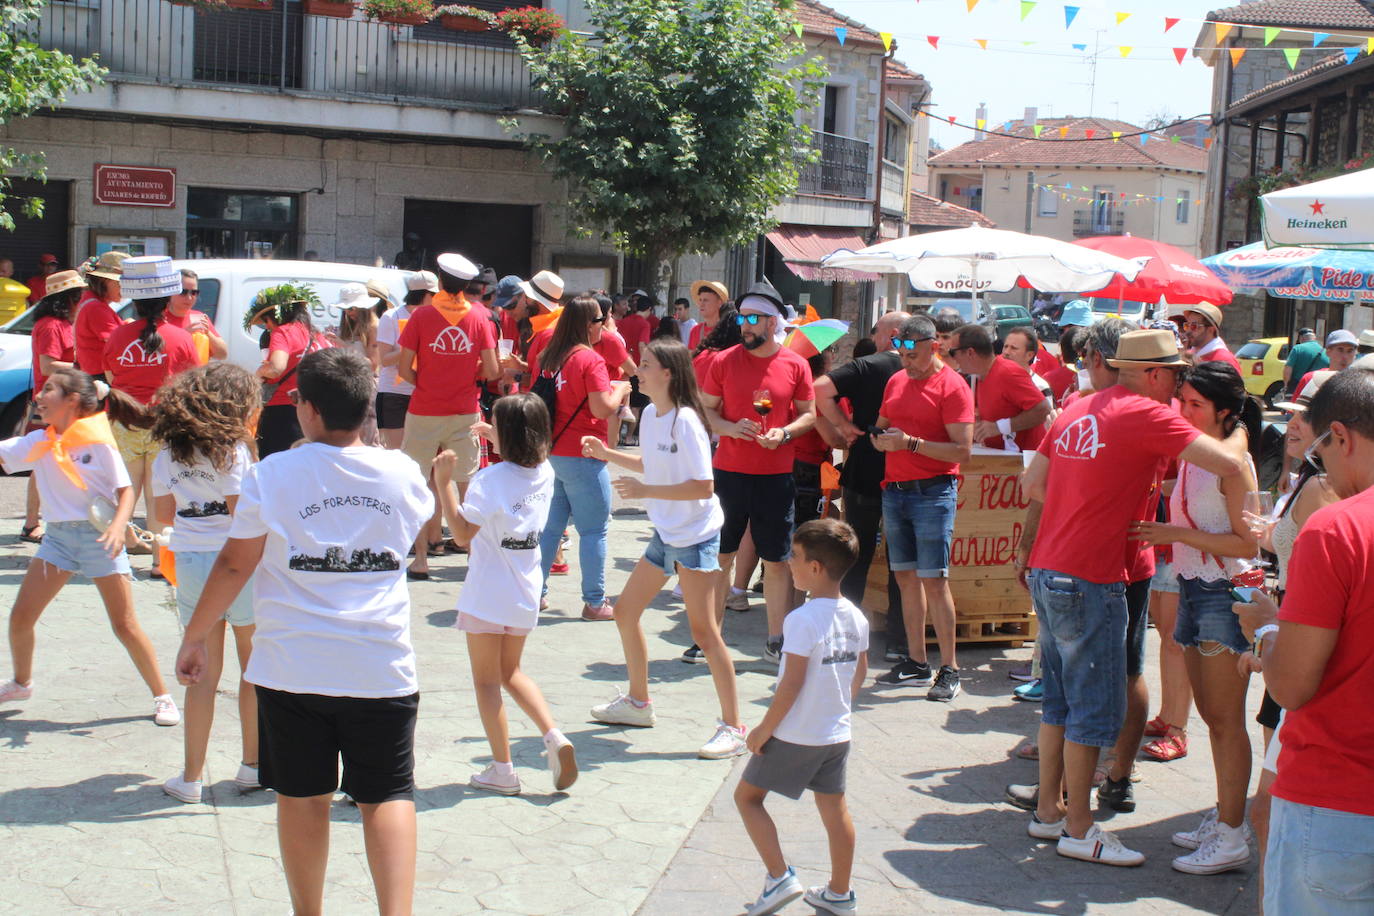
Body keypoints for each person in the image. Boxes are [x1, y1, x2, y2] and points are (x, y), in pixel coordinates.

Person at [174, 348, 433, 916]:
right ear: (368, 406)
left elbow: (236, 565)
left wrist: (195, 633)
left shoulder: (273, 474)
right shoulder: (405, 472)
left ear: (306, 408)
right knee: (387, 794)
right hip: (379, 661)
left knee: (301, 796)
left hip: (293, 664)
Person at [1021, 328, 1244, 867]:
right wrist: (1239, 432)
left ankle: (1050, 813)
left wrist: (1091, 497)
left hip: (1050, 566)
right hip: (1090, 574)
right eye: (1176, 375)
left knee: (1058, 700)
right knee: (1094, 707)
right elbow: (1230, 464)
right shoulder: (1146, 412)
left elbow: (1034, 485)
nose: (1180, 387)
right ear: (1156, 374)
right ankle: (1080, 828)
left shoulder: (1078, 406)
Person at [1233, 367, 1374, 915]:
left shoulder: (1337, 528)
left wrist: (1268, 631)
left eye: (1323, 447)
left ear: (1342, 436)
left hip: (1338, 795)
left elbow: (1291, 686)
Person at [583, 338, 746, 757]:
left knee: (704, 633)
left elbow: (702, 486)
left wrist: (644, 490)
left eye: (646, 364)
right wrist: (608, 453)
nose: (637, 369)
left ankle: (734, 726)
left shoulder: (687, 420)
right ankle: (639, 703)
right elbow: (652, 465)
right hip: (667, 533)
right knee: (625, 612)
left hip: (695, 535)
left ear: (668, 373)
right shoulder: (652, 416)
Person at [1131, 361, 1262, 875]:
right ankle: (1225, 818)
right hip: (1194, 585)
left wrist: (1175, 535)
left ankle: (1232, 833)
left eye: (1194, 405)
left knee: (1226, 721)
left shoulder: (1234, 459)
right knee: (1211, 716)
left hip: (1223, 593)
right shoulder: (1202, 447)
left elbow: (1247, 543)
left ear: (1224, 412)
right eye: (1181, 401)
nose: (1182, 411)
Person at [0, 368, 179, 725]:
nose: (38, 395)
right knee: (21, 618)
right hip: (58, 541)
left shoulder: (97, 442)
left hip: (100, 540)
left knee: (125, 625)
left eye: (49, 389)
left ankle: (164, 697)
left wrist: (117, 528)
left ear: (73, 401)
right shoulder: (40, 441)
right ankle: (22, 682)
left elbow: (125, 491)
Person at [431, 393, 577, 795]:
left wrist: (445, 485)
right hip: (525, 589)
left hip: (488, 591)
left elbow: (461, 535)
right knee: (511, 672)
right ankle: (553, 735)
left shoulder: (488, 481)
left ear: (507, 435)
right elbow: (520, 456)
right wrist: (497, 432)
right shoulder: (545, 471)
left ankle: (502, 769)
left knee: (486, 682)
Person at [734, 518, 867, 916]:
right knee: (835, 810)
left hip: (795, 734)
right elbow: (859, 672)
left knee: (747, 798)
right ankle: (839, 894)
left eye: (795, 556)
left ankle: (779, 878)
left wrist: (763, 729)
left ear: (815, 569)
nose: (788, 563)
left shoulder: (801, 620)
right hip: (835, 733)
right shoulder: (856, 617)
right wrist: (838, 705)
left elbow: (789, 685)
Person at [1241, 369, 1340, 895]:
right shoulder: (1312, 481)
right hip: (1293, 639)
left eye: (1305, 416)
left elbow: (1321, 596)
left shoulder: (1330, 497)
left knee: (1274, 809)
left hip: (1305, 658)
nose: (1294, 425)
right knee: (1271, 807)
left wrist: (1269, 635)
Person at [151, 363, 262, 804]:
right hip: (237, 563)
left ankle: (191, 776)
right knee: (253, 668)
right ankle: (252, 765)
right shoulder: (234, 452)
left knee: (201, 672)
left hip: (193, 562)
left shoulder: (166, 456)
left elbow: (161, 514)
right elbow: (243, 515)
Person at [700, 281, 816, 663]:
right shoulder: (723, 360)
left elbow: (808, 416)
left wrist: (783, 433)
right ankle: (709, 639)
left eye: (752, 320)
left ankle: (776, 639)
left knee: (777, 559)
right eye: (742, 319)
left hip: (776, 474)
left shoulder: (795, 364)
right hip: (729, 472)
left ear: (772, 323)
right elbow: (706, 411)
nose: (744, 327)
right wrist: (730, 428)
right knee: (720, 556)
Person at [870, 314, 973, 701]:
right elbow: (882, 424)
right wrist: (879, 439)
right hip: (895, 490)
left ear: (935, 347)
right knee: (905, 580)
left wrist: (909, 444)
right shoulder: (897, 380)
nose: (906, 359)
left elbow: (961, 450)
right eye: (901, 349)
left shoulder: (953, 386)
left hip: (933, 491)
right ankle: (916, 662)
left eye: (913, 352)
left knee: (934, 580)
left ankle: (950, 668)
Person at [396, 253, 499, 580]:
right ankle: (474, 554)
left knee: (419, 483)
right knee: (468, 484)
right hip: (465, 411)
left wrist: (427, 382)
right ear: (467, 285)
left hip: (424, 409)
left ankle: (422, 557)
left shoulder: (422, 316)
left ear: (440, 282)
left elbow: (403, 369)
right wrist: (467, 374)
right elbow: (494, 369)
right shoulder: (480, 318)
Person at [813, 310, 910, 653]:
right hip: (911, 471)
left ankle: (844, 636)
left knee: (854, 554)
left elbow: (820, 388)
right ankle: (900, 641)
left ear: (891, 333)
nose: (874, 337)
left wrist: (842, 426)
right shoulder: (928, 368)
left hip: (867, 466)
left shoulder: (870, 364)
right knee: (904, 563)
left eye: (875, 331)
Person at [532, 295, 632, 620]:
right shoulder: (590, 360)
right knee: (593, 531)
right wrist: (621, 390)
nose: (605, 324)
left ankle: (535, 594)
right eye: (601, 319)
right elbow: (601, 408)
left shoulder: (551, 356)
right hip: (584, 452)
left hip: (553, 451)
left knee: (551, 528)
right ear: (588, 324)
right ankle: (594, 602)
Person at [103, 256, 200, 577]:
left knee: (123, 493)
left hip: (124, 424)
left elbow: (111, 377)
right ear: (166, 299)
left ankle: (114, 560)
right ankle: (161, 564)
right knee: (161, 496)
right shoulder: (182, 338)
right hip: (165, 426)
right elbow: (191, 386)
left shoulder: (117, 335)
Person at [23, 270, 86, 544]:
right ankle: (30, 522)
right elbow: (48, 364)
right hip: (51, 404)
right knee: (44, 463)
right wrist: (83, 367)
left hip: (63, 403)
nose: (83, 300)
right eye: (79, 296)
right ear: (68, 298)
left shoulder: (63, 323)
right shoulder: (50, 325)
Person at [245, 284, 332, 459]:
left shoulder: (282, 332)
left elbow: (276, 368)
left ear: (276, 316)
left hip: (282, 411)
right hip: (316, 410)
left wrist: (260, 372)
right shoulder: (316, 334)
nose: (267, 327)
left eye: (267, 321)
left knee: (276, 466)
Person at [950, 323, 1051, 452]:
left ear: (970, 352)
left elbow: (1043, 410)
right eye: (1006, 346)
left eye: (953, 352)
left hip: (1021, 463)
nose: (951, 357)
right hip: (999, 463)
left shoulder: (1007, 372)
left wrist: (999, 427)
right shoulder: (979, 376)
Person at [375, 271, 436, 450]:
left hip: (424, 392)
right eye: (436, 295)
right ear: (425, 296)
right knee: (397, 452)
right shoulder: (391, 317)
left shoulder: (434, 318)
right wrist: (410, 347)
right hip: (395, 394)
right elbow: (384, 360)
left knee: (423, 452)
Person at [73, 251, 130, 379]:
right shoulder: (96, 308)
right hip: (101, 377)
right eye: (120, 283)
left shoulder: (90, 302)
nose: (124, 289)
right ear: (105, 281)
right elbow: (118, 343)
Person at [162, 269, 227, 361]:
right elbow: (156, 355)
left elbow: (222, 355)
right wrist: (184, 335)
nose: (189, 297)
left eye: (194, 293)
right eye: (183, 292)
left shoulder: (199, 317)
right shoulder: (161, 319)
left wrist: (208, 333)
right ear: (171, 292)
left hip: (197, 374)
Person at [1179, 304, 1241, 373]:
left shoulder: (1225, 360)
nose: (1188, 331)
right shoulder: (1188, 355)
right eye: (1187, 325)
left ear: (1211, 330)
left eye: (1194, 326)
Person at [332, 283, 380, 372]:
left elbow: (372, 365)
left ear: (363, 308)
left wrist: (343, 345)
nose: (347, 312)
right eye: (343, 308)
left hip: (361, 381)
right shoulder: (350, 325)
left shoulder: (374, 327)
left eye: (351, 308)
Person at [1295, 329, 1357, 394]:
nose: (1345, 356)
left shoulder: (1359, 383)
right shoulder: (1310, 379)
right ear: (1328, 352)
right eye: (1340, 350)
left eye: (1350, 351)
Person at [1001, 327, 1054, 398]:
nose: (1006, 352)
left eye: (1013, 348)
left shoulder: (1040, 387)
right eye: (1005, 346)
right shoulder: (992, 381)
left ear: (1029, 355)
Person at [1282, 328, 1325, 399]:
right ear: (1314, 338)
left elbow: (1288, 368)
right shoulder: (1325, 351)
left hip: (1297, 388)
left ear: (1301, 338)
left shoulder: (1297, 349)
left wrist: (1286, 385)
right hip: (1317, 390)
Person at [688, 280, 728, 351]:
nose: (701, 304)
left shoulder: (728, 331)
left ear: (719, 303)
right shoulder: (695, 331)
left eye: (706, 300)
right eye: (700, 300)